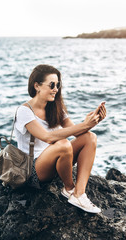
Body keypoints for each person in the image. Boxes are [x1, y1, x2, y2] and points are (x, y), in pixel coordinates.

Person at [13, 64, 106, 214]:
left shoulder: (55, 107)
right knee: (63, 144)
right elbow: (47, 137)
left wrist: (92, 122)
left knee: (90, 137)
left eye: (57, 85)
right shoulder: (24, 111)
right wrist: (85, 124)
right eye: (51, 85)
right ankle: (69, 188)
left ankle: (78, 194)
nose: (56, 89)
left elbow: (78, 133)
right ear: (37, 86)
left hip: (56, 163)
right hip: (33, 170)